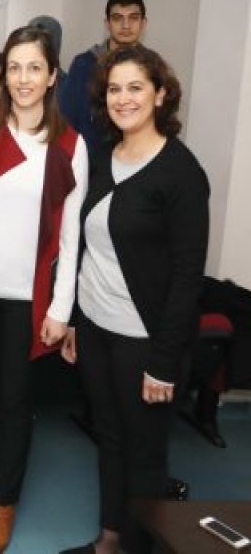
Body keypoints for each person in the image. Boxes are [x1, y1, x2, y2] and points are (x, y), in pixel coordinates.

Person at [59, 46, 209, 554]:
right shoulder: (104, 159)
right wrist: (78, 321)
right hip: (98, 330)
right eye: (115, 89)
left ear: (160, 94)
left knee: (145, 456)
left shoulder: (181, 174)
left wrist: (164, 364)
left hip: (145, 343)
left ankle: (139, 547)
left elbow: (189, 277)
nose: (123, 99)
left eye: (136, 87)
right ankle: (109, 540)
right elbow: (88, 252)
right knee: (110, 439)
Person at [0, 26, 88, 553]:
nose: (24, 78)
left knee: (15, 402)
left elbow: (72, 236)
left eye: (35, 68)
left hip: (29, 299)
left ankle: (4, 502)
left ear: (52, 75)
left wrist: (61, 308)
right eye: (15, 68)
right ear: (2, 76)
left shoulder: (70, 145)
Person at [60, 0, 148, 149]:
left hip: (136, 161)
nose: (126, 25)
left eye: (133, 18)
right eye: (117, 18)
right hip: (89, 162)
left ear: (143, 23)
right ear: (107, 24)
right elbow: (66, 120)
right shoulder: (84, 64)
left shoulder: (151, 67)